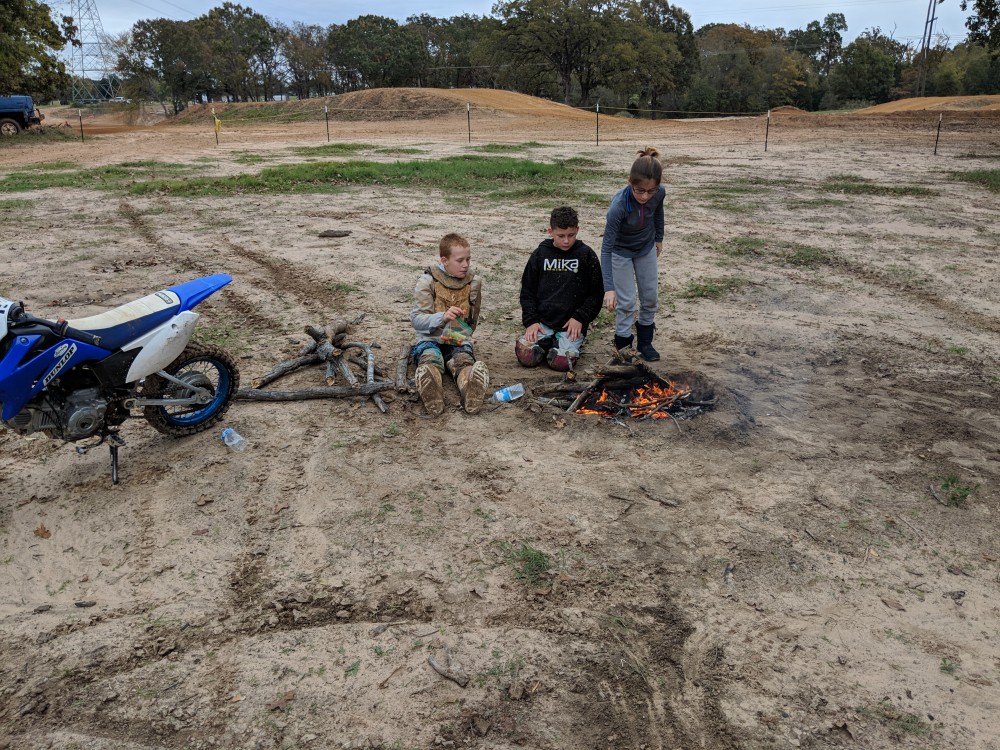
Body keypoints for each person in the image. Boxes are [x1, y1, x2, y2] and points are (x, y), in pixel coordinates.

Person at [410, 233, 490, 415]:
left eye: (468, 259)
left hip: (457, 337)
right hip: (430, 337)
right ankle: (433, 393)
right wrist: (442, 317)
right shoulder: (428, 281)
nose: (465, 265)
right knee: (431, 357)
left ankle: (470, 389)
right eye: (459, 260)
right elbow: (416, 320)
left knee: (463, 359)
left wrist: (466, 336)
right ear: (444, 260)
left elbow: (473, 318)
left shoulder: (473, 282)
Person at [516, 206, 604, 372]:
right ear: (551, 232)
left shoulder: (586, 255)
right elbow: (527, 291)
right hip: (543, 321)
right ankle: (546, 340)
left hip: (571, 323)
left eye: (571, 235)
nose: (566, 241)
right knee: (526, 355)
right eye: (561, 236)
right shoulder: (540, 254)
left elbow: (596, 294)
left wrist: (580, 318)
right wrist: (531, 321)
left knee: (562, 363)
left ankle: (564, 343)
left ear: (577, 230)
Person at [601, 147, 666, 362]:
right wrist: (609, 288)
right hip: (620, 252)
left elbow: (658, 212)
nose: (645, 196)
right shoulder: (618, 207)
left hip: (645, 248)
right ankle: (624, 347)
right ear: (630, 182)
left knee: (650, 297)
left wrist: (658, 238)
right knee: (627, 301)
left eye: (651, 191)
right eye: (640, 190)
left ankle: (645, 343)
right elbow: (606, 248)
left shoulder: (659, 193)